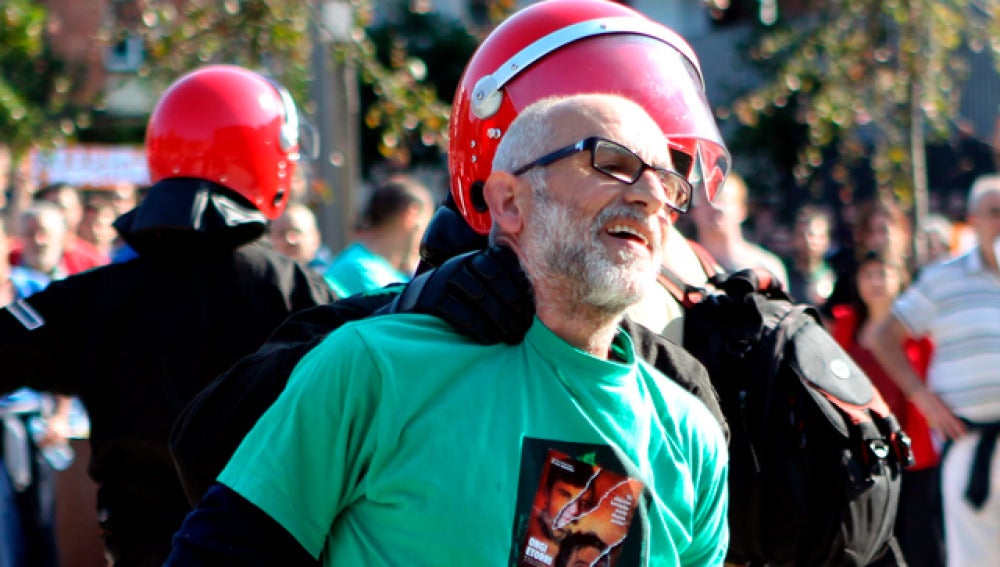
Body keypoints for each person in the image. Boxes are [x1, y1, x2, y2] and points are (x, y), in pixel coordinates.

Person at [169, 92, 728, 565]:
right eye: (612, 162)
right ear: (509, 200)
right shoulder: (373, 365)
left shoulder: (692, 434)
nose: (652, 196)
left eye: (670, 185)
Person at [0, 64, 336, 566]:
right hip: (263, 549)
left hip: (138, 550)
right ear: (269, 159)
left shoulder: (94, 296)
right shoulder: (296, 292)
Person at [869, 173, 1000, 566]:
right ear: (973, 220)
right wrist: (923, 398)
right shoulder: (944, 278)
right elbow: (884, 337)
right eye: (994, 213)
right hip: (969, 442)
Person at [829, 250, 944, 567]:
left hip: (914, 461)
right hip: (863, 461)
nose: (876, 282)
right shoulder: (844, 327)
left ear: (901, 279)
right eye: (868, 274)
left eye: (884, 273)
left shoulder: (921, 336)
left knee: (919, 546)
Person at [323, 174, 433, 296]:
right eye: (429, 221)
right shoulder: (362, 271)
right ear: (411, 213)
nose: (428, 234)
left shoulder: (370, 267)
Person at [689, 171, 788, 288]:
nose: (715, 207)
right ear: (694, 211)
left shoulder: (766, 268)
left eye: (722, 200)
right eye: (708, 200)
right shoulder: (684, 264)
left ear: (742, 210)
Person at [784, 205, 835, 306]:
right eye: (802, 235)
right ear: (793, 239)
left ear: (827, 240)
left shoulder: (837, 278)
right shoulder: (782, 275)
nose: (808, 241)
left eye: (814, 236)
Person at [268, 201, 332, 275]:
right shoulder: (260, 279)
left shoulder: (330, 282)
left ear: (315, 239)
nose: (290, 240)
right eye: (281, 234)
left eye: (297, 232)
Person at [12, 202, 68, 281]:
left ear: (60, 237)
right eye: (30, 233)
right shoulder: (9, 284)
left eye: (44, 232)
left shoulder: (77, 276)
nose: (37, 241)